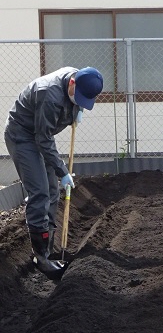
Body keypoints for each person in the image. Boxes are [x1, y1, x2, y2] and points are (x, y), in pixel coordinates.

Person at [4, 66, 103, 281]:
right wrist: (63, 170)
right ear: (72, 83)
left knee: (52, 190)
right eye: (79, 99)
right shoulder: (48, 94)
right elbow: (43, 139)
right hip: (23, 135)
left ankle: (48, 247)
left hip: (41, 134)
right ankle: (41, 257)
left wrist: (76, 111)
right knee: (39, 191)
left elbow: (50, 130)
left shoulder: (82, 78)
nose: (79, 103)